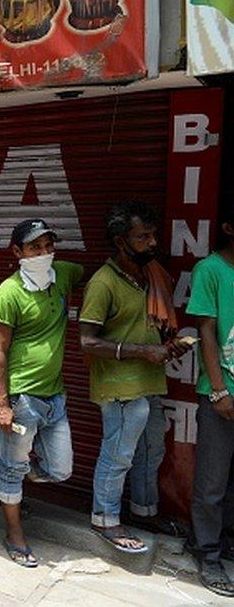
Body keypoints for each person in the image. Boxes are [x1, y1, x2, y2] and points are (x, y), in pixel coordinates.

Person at [80, 201, 191, 554]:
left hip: (149, 380)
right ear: (120, 240)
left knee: (150, 451)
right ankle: (104, 518)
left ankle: (144, 511)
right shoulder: (103, 282)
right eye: (143, 236)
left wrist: (166, 347)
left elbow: (146, 329)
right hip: (119, 386)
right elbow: (87, 341)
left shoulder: (149, 274)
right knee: (118, 455)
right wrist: (144, 352)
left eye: (152, 234)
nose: (153, 242)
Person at [0, 219, 83, 567]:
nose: (43, 253)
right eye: (34, 247)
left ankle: (9, 481)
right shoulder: (9, 292)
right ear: (17, 252)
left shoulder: (64, 274)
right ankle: (14, 535)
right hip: (21, 398)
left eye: (48, 246)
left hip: (55, 396)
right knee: (12, 468)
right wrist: (2, 403)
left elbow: (98, 274)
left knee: (61, 469)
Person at [185, 206, 234, 597]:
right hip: (222, 392)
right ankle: (207, 552)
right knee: (212, 481)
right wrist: (219, 390)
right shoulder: (211, 270)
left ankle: (224, 540)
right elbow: (207, 333)